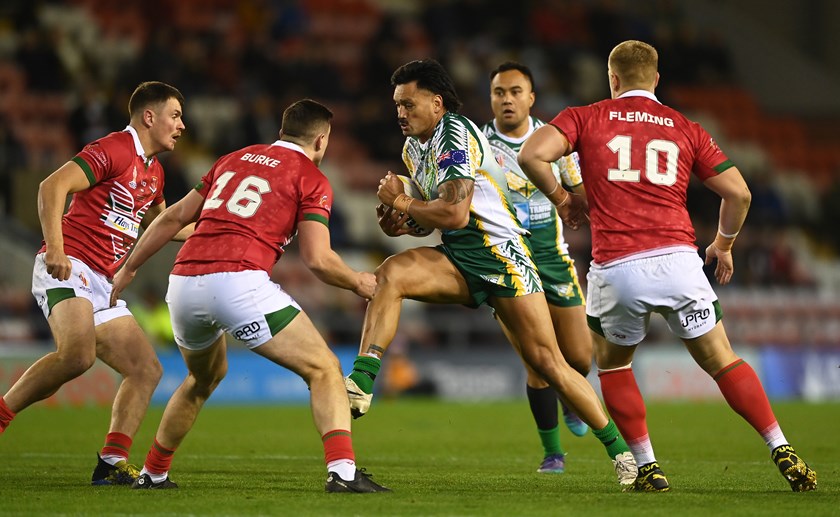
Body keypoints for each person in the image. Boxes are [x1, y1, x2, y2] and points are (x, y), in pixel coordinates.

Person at [518, 40, 817, 493]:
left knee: (615, 367)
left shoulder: (586, 116)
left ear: (612, 78)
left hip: (617, 267)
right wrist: (724, 244)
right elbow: (739, 193)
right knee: (722, 359)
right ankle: (780, 445)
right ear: (657, 79)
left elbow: (531, 155)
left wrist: (564, 201)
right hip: (679, 261)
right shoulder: (685, 126)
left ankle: (647, 466)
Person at [344, 59, 636, 487]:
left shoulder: (455, 133)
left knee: (551, 364)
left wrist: (403, 203)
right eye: (396, 106)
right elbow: (434, 218)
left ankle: (623, 455)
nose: (400, 113)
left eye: (408, 104)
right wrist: (402, 224)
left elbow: (457, 212)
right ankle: (362, 382)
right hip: (460, 257)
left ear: (436, 101)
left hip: (503, 258)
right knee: (392, 273)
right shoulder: (414, 149)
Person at [108, 99, 390, 493]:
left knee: (202, 378)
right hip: (238, 281)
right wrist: (359, 283)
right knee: (324, 368)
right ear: (322, 139)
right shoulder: (310, 176)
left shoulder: (232, 158)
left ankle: (153, 473)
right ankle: (343, 473)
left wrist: (130, 267)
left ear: (283, 129)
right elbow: (318, 259)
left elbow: (173, 218)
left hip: (184, 282)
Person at [0, 81, 187, 486]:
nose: (182, 125)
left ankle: (111, 462)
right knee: (77, 355)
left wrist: (225, 230)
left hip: (103, 281)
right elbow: (51, 186)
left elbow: (165, 224)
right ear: (149, 117)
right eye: (175, 115)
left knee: (146, 369)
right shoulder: (116, 148)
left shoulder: (154, 173)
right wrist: (55, 247)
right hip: (70, 266)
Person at [481, 61, 591, 475]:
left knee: (579, 358)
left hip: (553, 259)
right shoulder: (478, 143)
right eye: (498, 92)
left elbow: (579, 192)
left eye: (514, 91)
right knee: (538, 363)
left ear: (531, 97)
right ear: (491, 97)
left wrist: (576, 199)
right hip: (508, 263)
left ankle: (571, 394)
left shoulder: (556, 142)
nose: (506, 99)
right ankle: (553, 453)